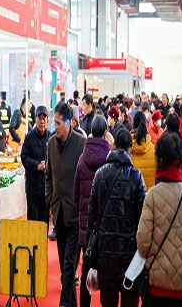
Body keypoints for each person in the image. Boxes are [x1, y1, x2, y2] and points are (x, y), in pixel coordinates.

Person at [137, 131, 182, 307]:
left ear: (159, 160)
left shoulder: (152, 196)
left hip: (155, 286)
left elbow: (143, 244)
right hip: (181, 287)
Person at [88, 129, 146, 307]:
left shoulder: (100, 174)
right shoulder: (136, 176)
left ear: (113, 146)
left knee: (108, 301)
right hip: (130, 252)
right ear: (130, 149)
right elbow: (142, 218)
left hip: (105, 250)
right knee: (130, 300)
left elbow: (91, 216)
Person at [45, 102, 86, 307]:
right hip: (58, 212)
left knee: (70, 262)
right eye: (54, 122)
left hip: (75, 213)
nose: (55, 126)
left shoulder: (81, 143)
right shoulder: (51, 143)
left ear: (69, 123)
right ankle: (71, 303)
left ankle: (63, 304)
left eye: (59, 122)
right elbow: (48, 176)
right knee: (64, 264)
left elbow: (86, 177)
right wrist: (50, 199)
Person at [74, 115, 111, 307]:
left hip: (86, 224)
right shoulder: (109, 160)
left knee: (86, 267)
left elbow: (76, 194)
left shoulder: (82, 159)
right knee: (106, 270)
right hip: (104, 225)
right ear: (105, 133)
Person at [21, 106, 51, 226]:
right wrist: (36, 166)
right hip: (32, 188)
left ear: (48, 121)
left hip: (46, 188)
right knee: (33, 223)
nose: (42, 121)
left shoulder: (51, 137)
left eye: (44, 118)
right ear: (35, 120)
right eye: (40, 118)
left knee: (44, 223)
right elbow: (24, 157)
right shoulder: (29, 137)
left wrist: (47, 164)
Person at [130, 111, 156, 190]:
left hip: (132, 194)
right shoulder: (154, 150)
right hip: (149, 194)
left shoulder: (128, 150)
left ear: (133, 125)